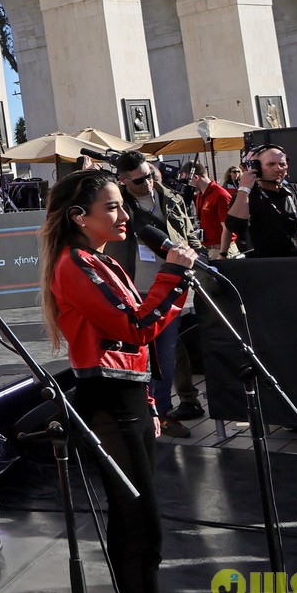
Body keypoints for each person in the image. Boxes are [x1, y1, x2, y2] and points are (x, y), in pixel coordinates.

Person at [39, 169, 196, 593]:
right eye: (112, 206)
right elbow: (135, 328)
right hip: (107, 402)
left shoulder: (101, 261)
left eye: (122, 205)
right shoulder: (74, 265)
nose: (125, 214)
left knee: (136, 525)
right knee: (142, 527)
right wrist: (174, 274)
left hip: (128, 399)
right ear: (78, 217)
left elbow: (135, 344)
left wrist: (148, 401)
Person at [105, 152, 203, 432]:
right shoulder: (117, 204)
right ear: (124, 181)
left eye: (149, 175)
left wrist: (197, 253)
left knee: (167, 351)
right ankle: (143, 411)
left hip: (172, 284)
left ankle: (162, 410)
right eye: (139, 180)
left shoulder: (170, 196)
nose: (147, 182)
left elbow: (188, 233)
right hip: (133, 287)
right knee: (138, 353)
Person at [225, 145, 297, 258]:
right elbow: (235, 226)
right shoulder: (248, 196)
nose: (278, 168)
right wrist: (244, 189)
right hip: (266, 264)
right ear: (256, 168)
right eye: (271, 164)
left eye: (282, 164)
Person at [179, 161, 235, 259]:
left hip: (221, 250)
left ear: (195, 177)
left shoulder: (220, 195)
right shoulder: (200, 195)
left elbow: (228, 228)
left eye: (186, 180)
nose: (186, 185)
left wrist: (223, 254)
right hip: (208, 250)